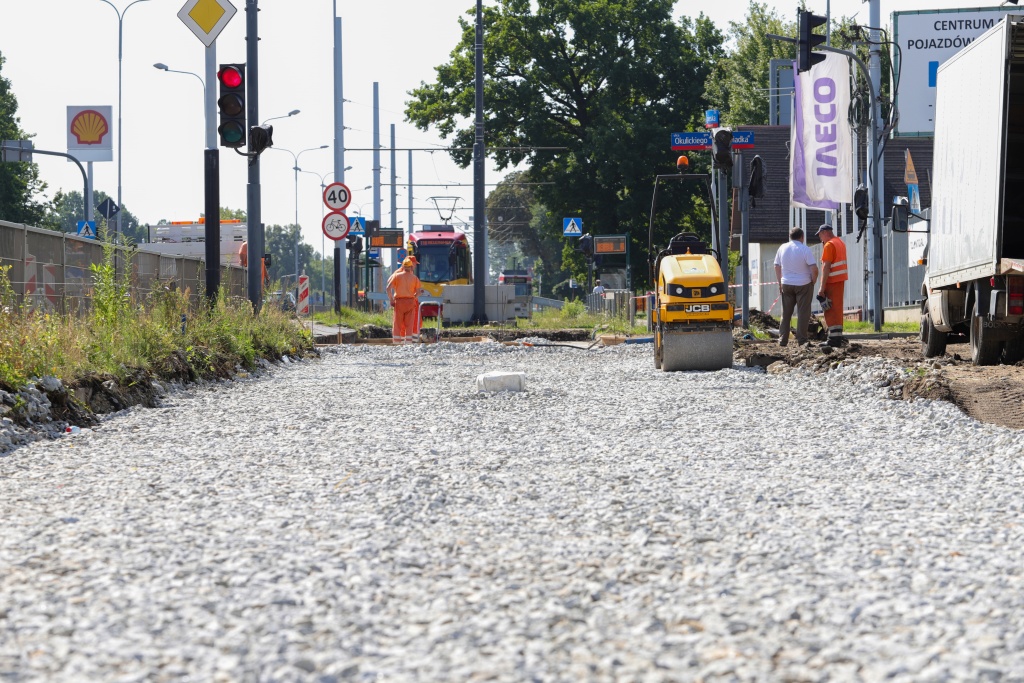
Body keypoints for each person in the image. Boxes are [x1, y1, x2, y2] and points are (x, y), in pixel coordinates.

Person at [773, 227, 819, 347]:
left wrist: (780, 282)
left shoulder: (782, 248)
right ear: (802, 237)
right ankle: (802, 340)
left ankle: (782, 340)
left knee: (786, 313)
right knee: (803, 313)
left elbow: (776, 266)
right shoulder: (804, 249)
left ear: (790, 237)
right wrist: (813, 281)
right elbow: (814, 268)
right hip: (803, 284)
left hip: (786, 284)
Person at [816, 224, 849, 348]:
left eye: (819, 235)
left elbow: (826, 266)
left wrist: (821, 288)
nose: (820, 238)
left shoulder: (829, 245)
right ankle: (837, 337)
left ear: (824, 232)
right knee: (837, 309)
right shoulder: (840, 242)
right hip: (839, 280)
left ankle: (833, 340)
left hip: (831, 281)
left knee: (829, 309)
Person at [386, 256, 426, 344]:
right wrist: (414, 297)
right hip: (411, 302)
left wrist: (391, 300)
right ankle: (408, 343)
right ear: (411, 265)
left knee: (398, 324)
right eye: (414, 263)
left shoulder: (397, 275)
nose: (415, 266)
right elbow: (418, 292)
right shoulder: (413, 277)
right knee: (410, 324)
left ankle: (397, 342)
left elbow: (388, 287)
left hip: (400, 302)